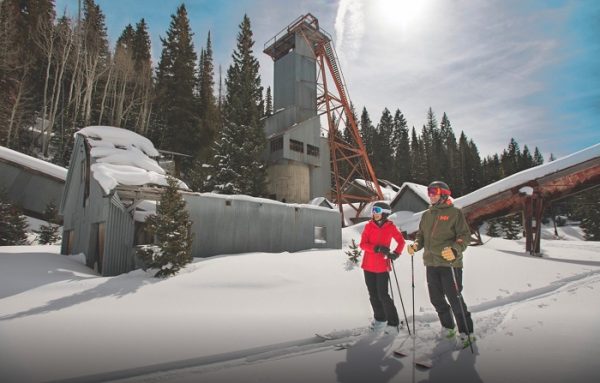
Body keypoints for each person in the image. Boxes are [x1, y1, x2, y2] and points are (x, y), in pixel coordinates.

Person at [407, 181, 474, 347]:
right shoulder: (427, 215)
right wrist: (416, 245)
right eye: (429, 192)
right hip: (431, 263)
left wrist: (455, 249)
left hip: (450, 264)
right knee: (436, 299)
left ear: (444, 194)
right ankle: (448, 327)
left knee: (455, 299)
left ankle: (467, 332)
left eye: (434, 192)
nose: (431, 195)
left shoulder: (455, 213)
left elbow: (464, 236)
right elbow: (421, 235)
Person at [359, 201, 406, 335]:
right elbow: (362, 244)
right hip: (368, 265)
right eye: (374, 210)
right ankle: (380, 319)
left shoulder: (390, 227)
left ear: (385, 213)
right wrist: (376, 248)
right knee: (373, 295)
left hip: (382, 266)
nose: (375, 213)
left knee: (383, 295)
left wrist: (396, 253)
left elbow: (401, 242)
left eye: (377, 211)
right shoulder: (369, 226)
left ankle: (393, 323)